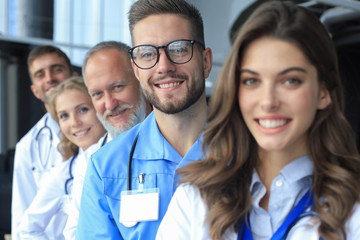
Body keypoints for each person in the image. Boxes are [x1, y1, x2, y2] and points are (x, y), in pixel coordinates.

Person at [156, 1, 360, 240]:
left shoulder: (353, 208)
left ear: (323, 92)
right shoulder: (195, 199)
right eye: (252, 81)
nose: (268, 101)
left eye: (290, 80)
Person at [75, 0, 212, 239]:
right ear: (137, 70)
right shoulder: (106, 167)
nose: (164, 66)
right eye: (148, 54)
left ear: (206, 61)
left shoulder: (248, 148)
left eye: (179, 48)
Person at [63, 41, 152, 239]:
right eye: (97, 94)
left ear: (140, 79)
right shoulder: (90, 162)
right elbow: (76, 232)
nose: (110, 103)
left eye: (118, 87)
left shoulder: (178, 140)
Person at [18, 76, 106, 239]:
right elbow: (27, 229)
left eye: (83, 110)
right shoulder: (63, 174)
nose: (74, 122)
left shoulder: (125, 156)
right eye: (64, 116)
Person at [11, 45, 77, 240]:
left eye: (57, 69)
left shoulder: (102, 129)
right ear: (35, 91)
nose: (49, 78)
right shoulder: (28, 147)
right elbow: (21, 218)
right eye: (40, 74)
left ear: (73, 76)